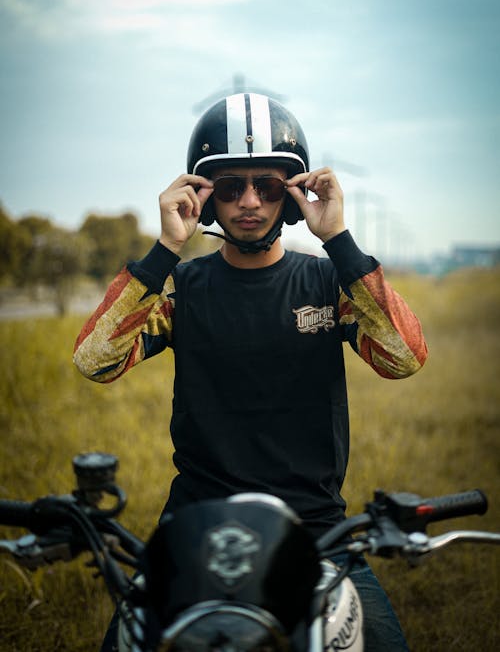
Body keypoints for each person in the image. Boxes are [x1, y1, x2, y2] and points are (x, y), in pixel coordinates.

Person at [74, 92, 428, 652]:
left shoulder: (327, 284)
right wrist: (168, 245)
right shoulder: (178, 289)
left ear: (291, 197)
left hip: (315, 530)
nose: (248, 202)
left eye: (266, 186)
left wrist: (337, 238)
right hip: (194, 523)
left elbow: (404, 357)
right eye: (231, 187)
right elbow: (94, 360)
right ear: (205, 197)